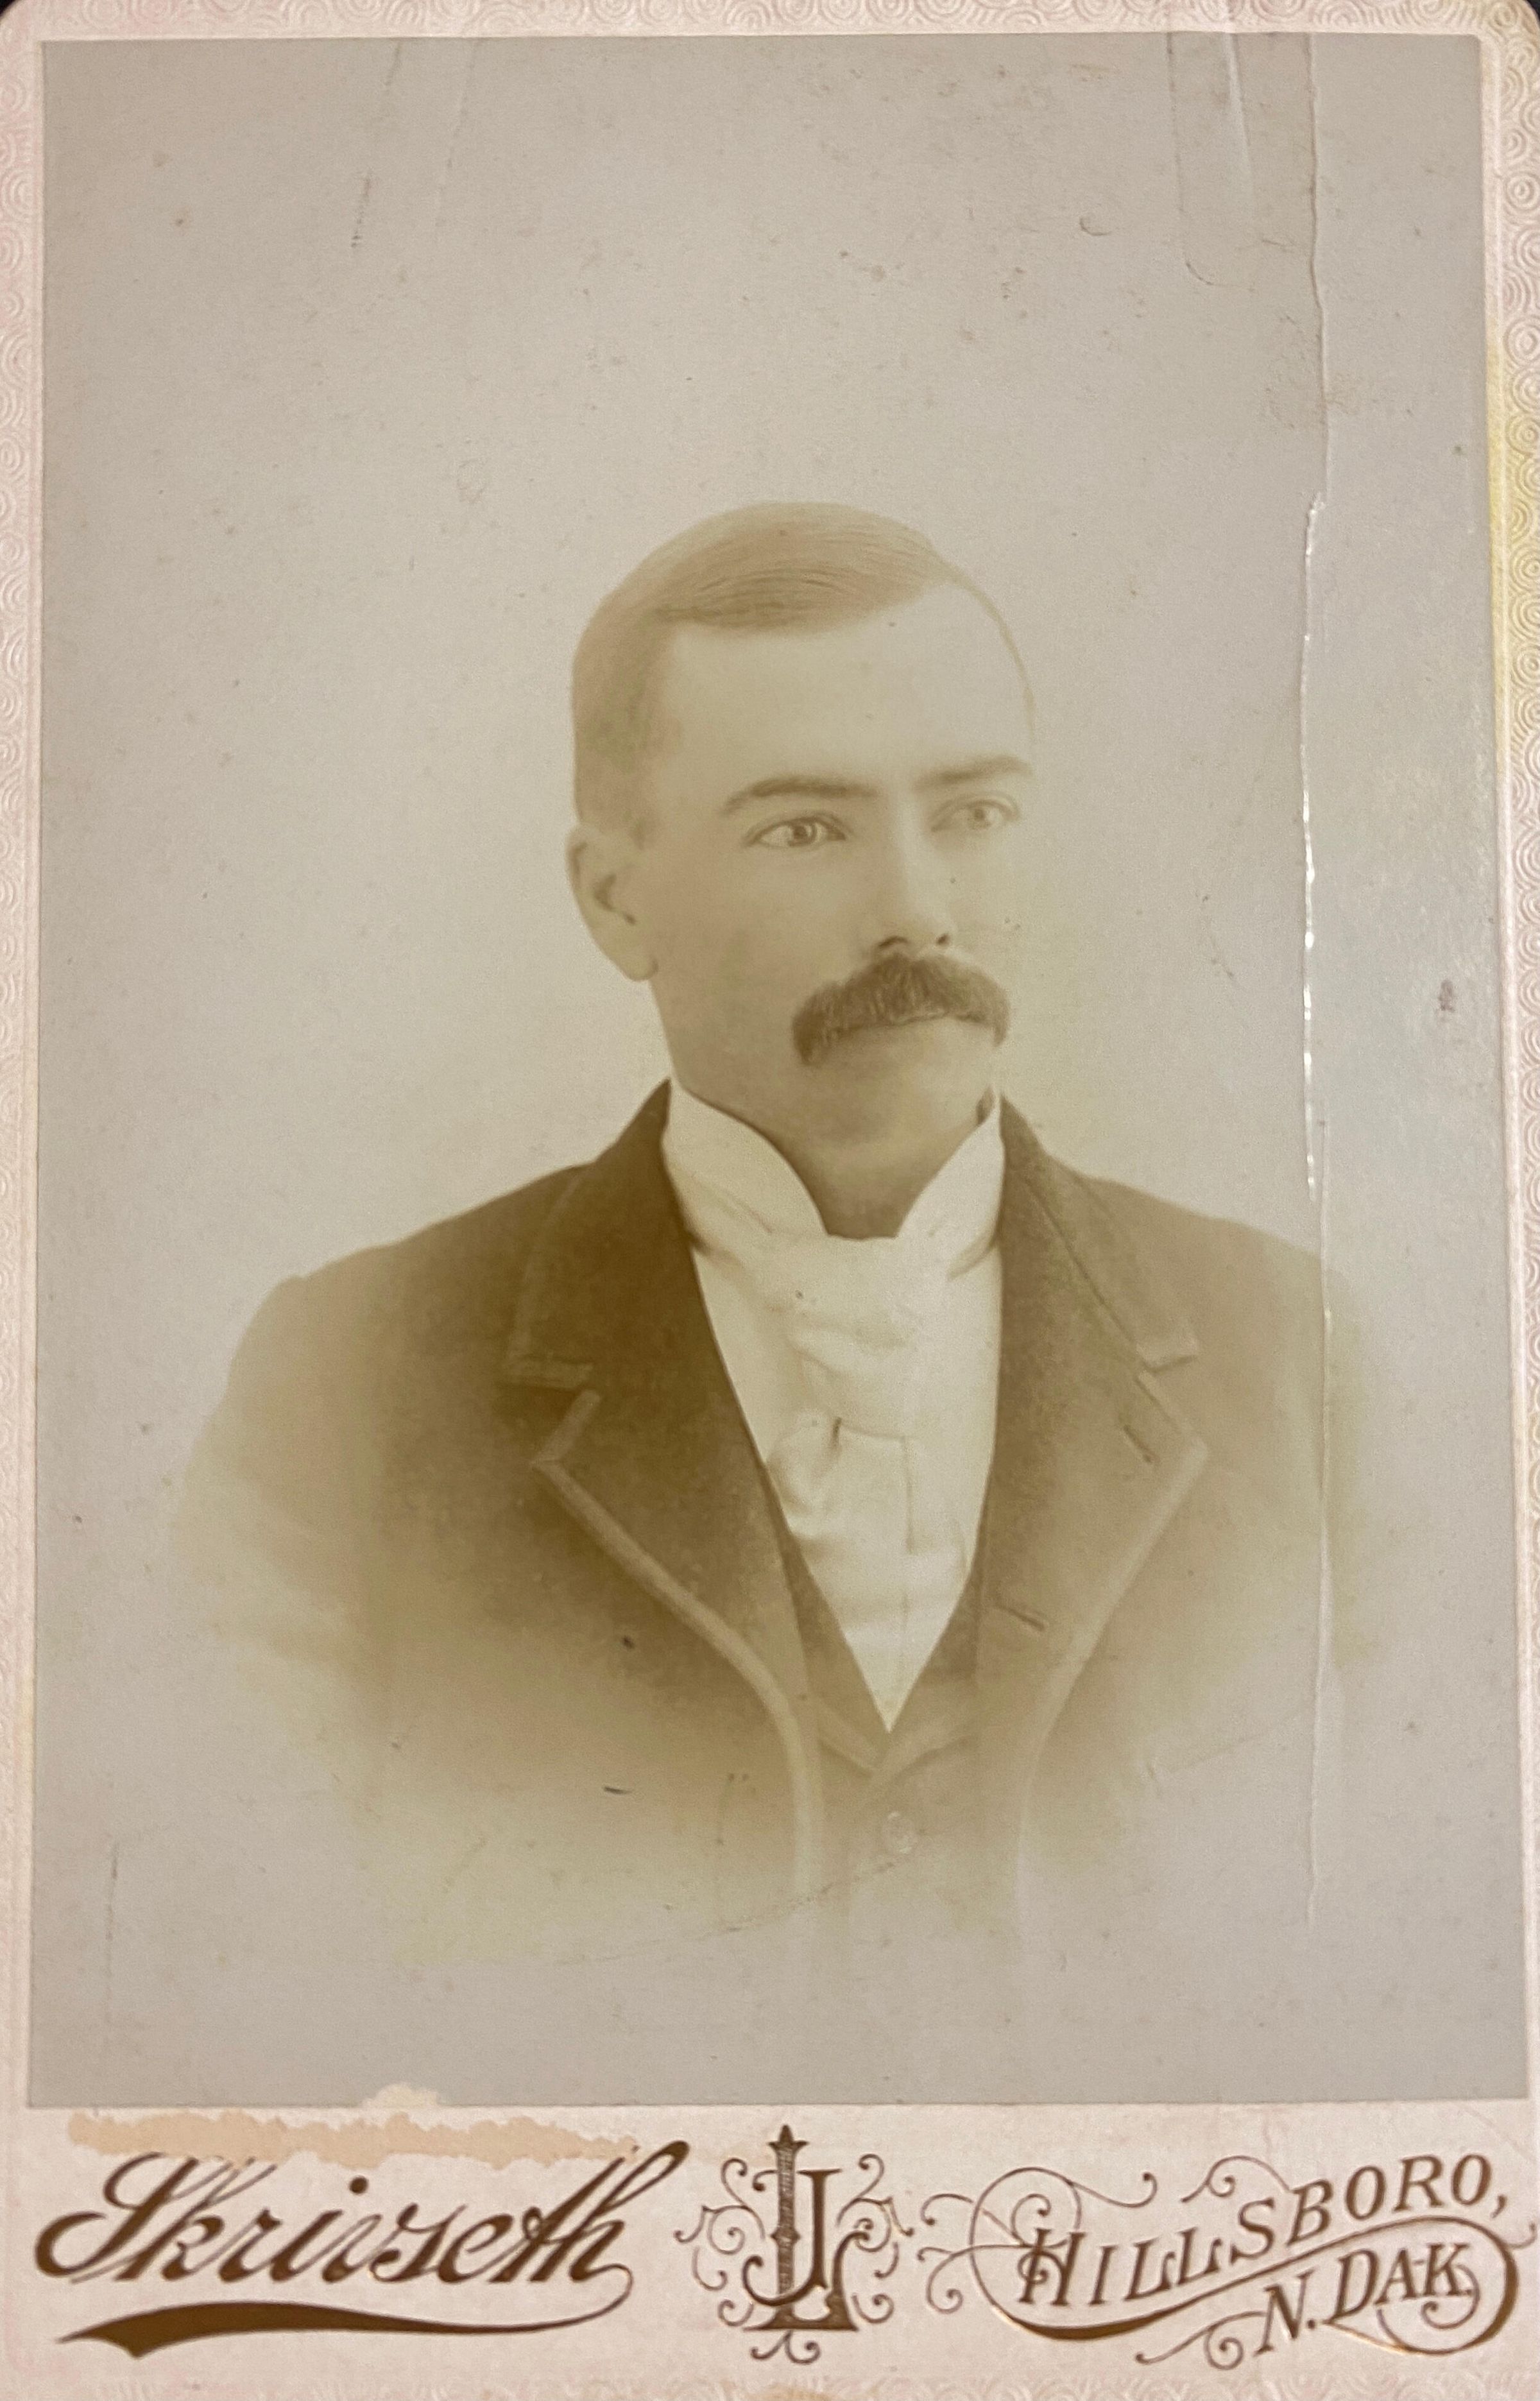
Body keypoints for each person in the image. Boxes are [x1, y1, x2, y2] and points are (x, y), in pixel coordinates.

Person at [180, 504, 1324, 2099]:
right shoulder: (346, 1387)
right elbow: (230, 1990)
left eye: (975, 813)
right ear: (613, 900)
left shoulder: (1308, 1363)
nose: (916, 907)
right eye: (806, 830)